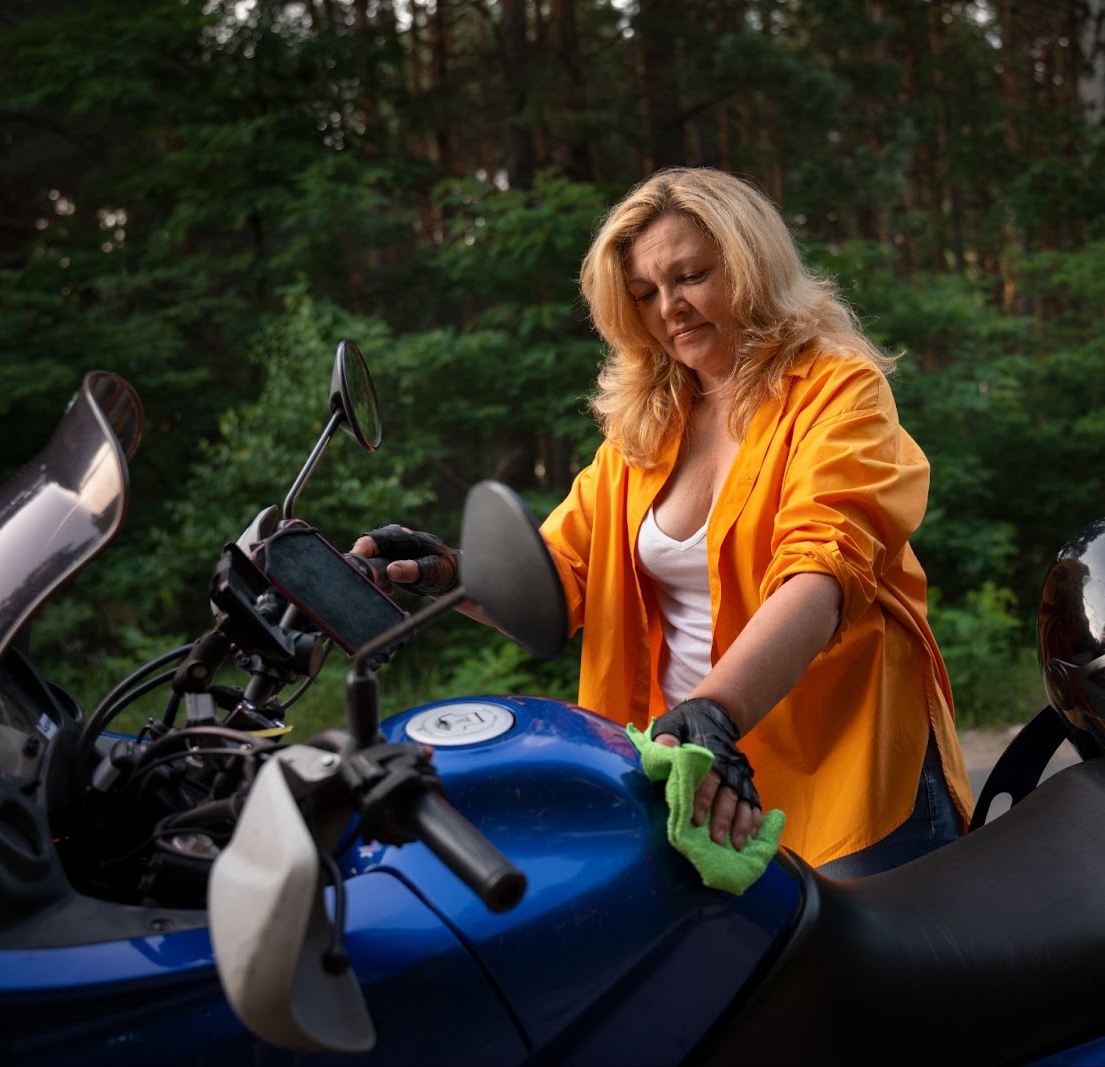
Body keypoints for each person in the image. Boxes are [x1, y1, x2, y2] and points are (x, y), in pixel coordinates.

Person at [354, 167, 971, 876]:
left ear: (751, 263)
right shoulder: (645, 425)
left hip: (838, 766)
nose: (669, 308)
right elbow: (560, 576)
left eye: (691, 276)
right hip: (690, 775)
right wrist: (448, 569)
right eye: (646, 293)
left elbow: (822, 572)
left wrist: (713, 712)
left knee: (872, 983)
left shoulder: (839, 390)